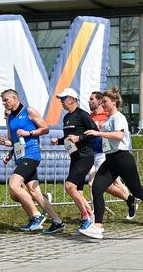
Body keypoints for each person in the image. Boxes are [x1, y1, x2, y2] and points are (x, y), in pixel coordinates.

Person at [81, 87, 143, 239]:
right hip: (110, 159)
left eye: (105, 102)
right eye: (102, 102)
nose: (102, 104)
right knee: (97, 188)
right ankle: (98, 226)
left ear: (114, 102)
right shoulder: (109, 119)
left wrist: (98, 133)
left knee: (137, 191)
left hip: (123, 158)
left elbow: (118, 135)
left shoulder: (119, 117)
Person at [0, 89, 64, 233]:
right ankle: (57, 222)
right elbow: (12, 141)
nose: (4, 103)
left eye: (6, 100)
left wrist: (29, 133)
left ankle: (36, 216)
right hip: (20, 157)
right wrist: (5, 143)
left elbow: (45, 128)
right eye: (3, 101)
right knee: (35, 193)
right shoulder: (10, 118)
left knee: (14, 185)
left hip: (31, 156)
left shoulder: (29, 111)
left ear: (15, 98)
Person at [50, 88, 99, 232]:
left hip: (86, 156)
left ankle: (87, 218)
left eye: (63, 99)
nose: (61, 102)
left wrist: (80, 138)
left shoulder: (83, 115)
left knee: (69, 186)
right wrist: (58, 141)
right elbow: (68, 139)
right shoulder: (66, 118)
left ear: (72, 99)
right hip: (75, 157)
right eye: (60, 99)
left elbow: (94, 132)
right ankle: (90, 216)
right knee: (77, 190)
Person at [88, 91, 135, 219]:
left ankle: (131, 199)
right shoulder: (90, 116)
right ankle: (129, 199)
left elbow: (120, 135)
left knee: (110, 184)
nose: (89, 101)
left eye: (92, 99)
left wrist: (98, 132)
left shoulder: (109, 116)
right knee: (96, 185)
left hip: (105, 153)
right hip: (92, 153)